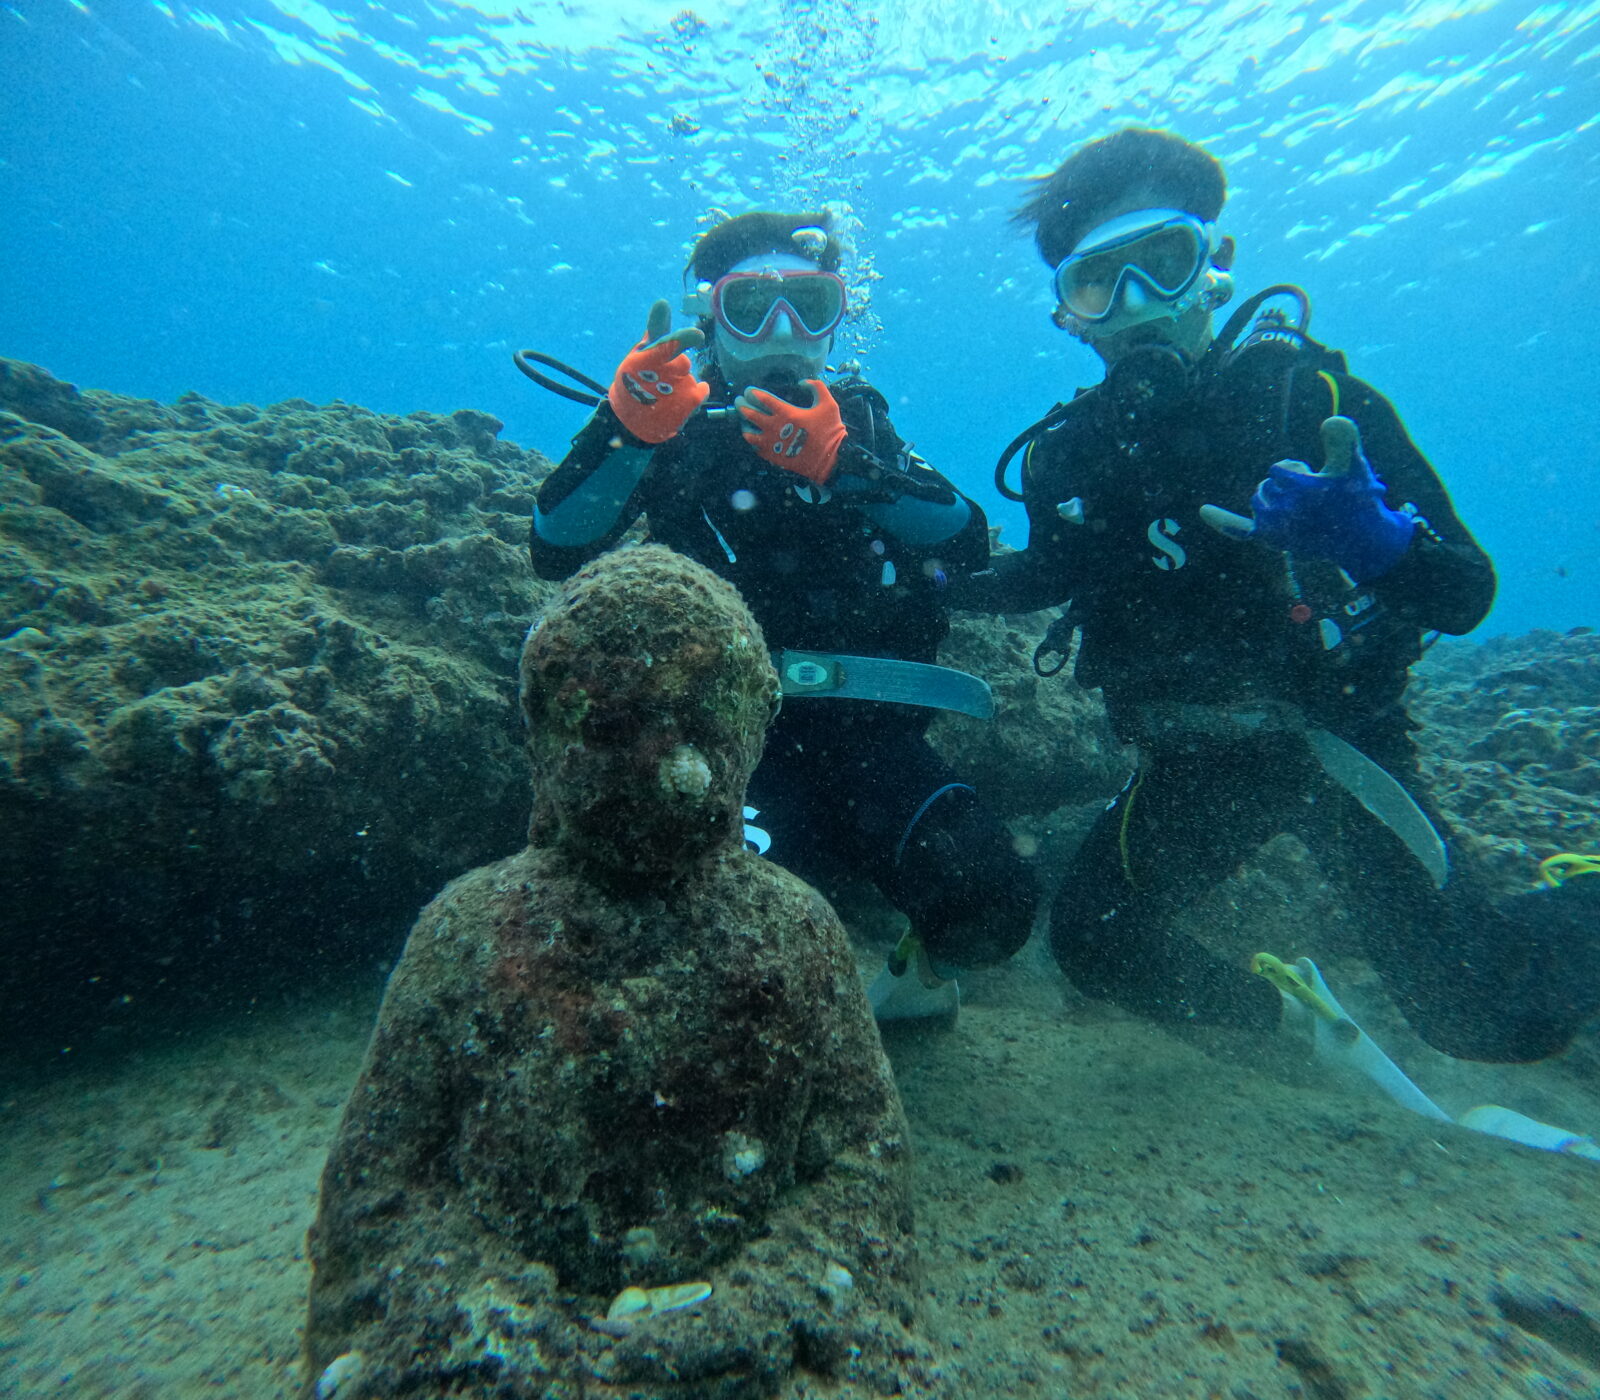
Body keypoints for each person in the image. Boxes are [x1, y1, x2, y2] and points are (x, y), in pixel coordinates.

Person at [956, 127, 1599, 1062]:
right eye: (1099, 282)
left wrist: (1374, 542)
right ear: (1071, 315)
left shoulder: (1315, 405)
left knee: (1485, 1018)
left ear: (1213, 266)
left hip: (1335, 743)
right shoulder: (1070, 455)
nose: (1134, 306)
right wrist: (919, 575)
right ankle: (1290, 1031)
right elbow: (1042, 577)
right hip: (1194, 763)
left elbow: (1465, 593)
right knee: (1095, 939)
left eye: (1162, 263)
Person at [528, 209, 1036, 1019]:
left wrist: (845, 466)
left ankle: (913, 973)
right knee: (720, 941)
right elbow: (555, 548)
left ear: (837, 320)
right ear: (709, 319)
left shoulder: (859, 425)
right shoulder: (671, 431)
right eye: (750, 307)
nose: (783, 333)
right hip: (726, 743)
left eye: (809, 305)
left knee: (994, 901)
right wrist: (622, 435)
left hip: (873, 744)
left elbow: (966, 541)